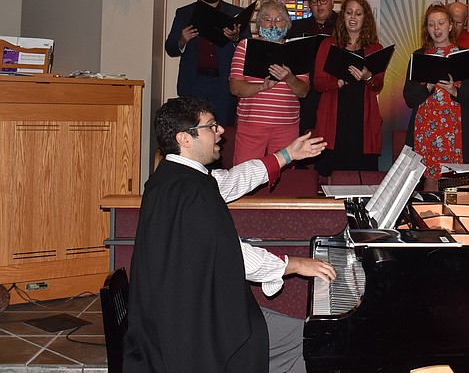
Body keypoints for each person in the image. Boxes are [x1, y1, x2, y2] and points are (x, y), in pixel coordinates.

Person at [123, 96, 335, 373]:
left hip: (176, 314)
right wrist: (295, 263)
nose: (221, 131)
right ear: (184, 138)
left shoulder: (173, 178)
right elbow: (231, 256)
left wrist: (286, 155)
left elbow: (231, 181)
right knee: (309, 340)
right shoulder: (191, 191)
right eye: (211, 126)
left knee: (294, 331)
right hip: (192, 333)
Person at [404, 3, 469, 191]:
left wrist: (455, 91)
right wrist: (428, 86)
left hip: (456, 130)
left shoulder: (465, 56)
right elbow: (409, 97)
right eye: (431, 24)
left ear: (450, 25)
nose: (436, 29)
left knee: (453, 188)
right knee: (429, 186)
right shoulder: (419, 56)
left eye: (441, 23)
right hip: (426, 130)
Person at [165, 0, 250, 127]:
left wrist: (235, 38)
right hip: (193, 83)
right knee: (193, 129)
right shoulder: (184, 13)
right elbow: (170, 48)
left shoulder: (235, 13)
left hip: (223, 84)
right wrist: (182, 40)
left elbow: (249, 47)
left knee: (223, 131)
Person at [229, 0, 309, 166]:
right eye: (267, 19)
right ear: (259, 23)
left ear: (287, 24)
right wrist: (261, 87)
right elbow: (235, 87)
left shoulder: (297, 50)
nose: (273, 24)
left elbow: (303, 92)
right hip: (251, 126)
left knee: (284, 180)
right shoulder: (245, 46)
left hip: (286, 127)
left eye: (279, 20)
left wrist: (289, 78)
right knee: (245, 177)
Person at [313, 0, 385, 177]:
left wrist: (368, 77)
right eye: (349, 12)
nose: (353, 17)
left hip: (363, 118)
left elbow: (378, 85)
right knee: (331, 173)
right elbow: (318, 83)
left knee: (363, 175)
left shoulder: (375, 48)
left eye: (358, 13)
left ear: (365, 18)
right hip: (334, 117)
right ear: (342, 16)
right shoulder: (328, 44)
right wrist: (337, 82)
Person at [288, 0, 339, 135]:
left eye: (323, 0)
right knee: (306, 132)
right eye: (314, 2)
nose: (319, 6)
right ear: (309, 4)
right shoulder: (296, 28)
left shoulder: (344, 26)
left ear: (332, 1)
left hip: (336, 85)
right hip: (306, 87)